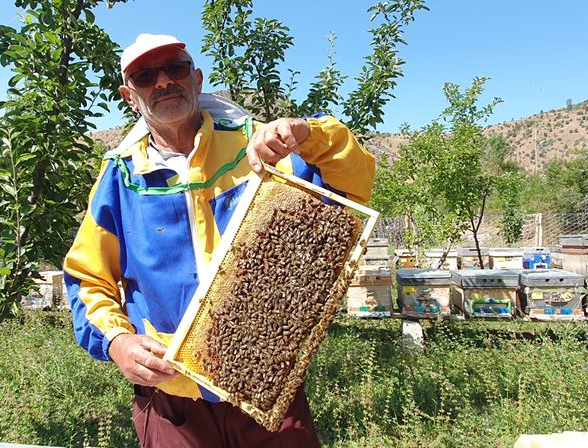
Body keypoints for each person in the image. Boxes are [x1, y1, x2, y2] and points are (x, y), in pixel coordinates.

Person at [64, 33, 375, 447]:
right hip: (173, 402)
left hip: (268, 391)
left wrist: (309, 134)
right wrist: (117, 342)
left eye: (174, 68)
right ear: (129, 96)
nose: (162, 82)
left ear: (196, 77)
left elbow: (353, 188)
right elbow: (87, 279)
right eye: (145, 76)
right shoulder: (119, 180)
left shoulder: (259, 142)